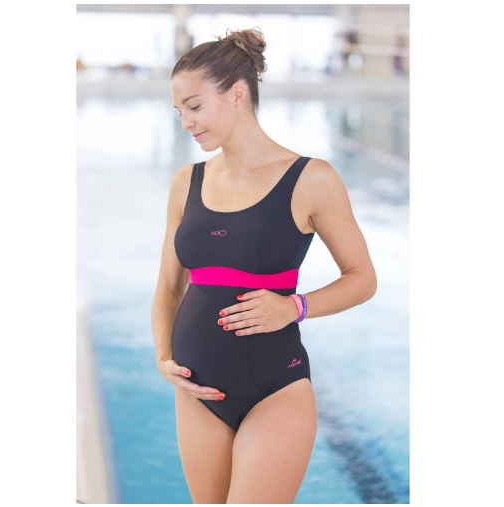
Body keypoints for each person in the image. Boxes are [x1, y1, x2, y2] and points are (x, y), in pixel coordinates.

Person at [151, 26, 377, 504]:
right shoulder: (186, 182)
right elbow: (169, 289)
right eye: (179, 111)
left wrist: (295, 307)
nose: (186, 122)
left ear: (237, 95)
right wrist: (163, 358)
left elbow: (363, 279)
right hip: (197, 393)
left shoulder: (311, 179)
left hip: (275, 388)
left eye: (194, 106)